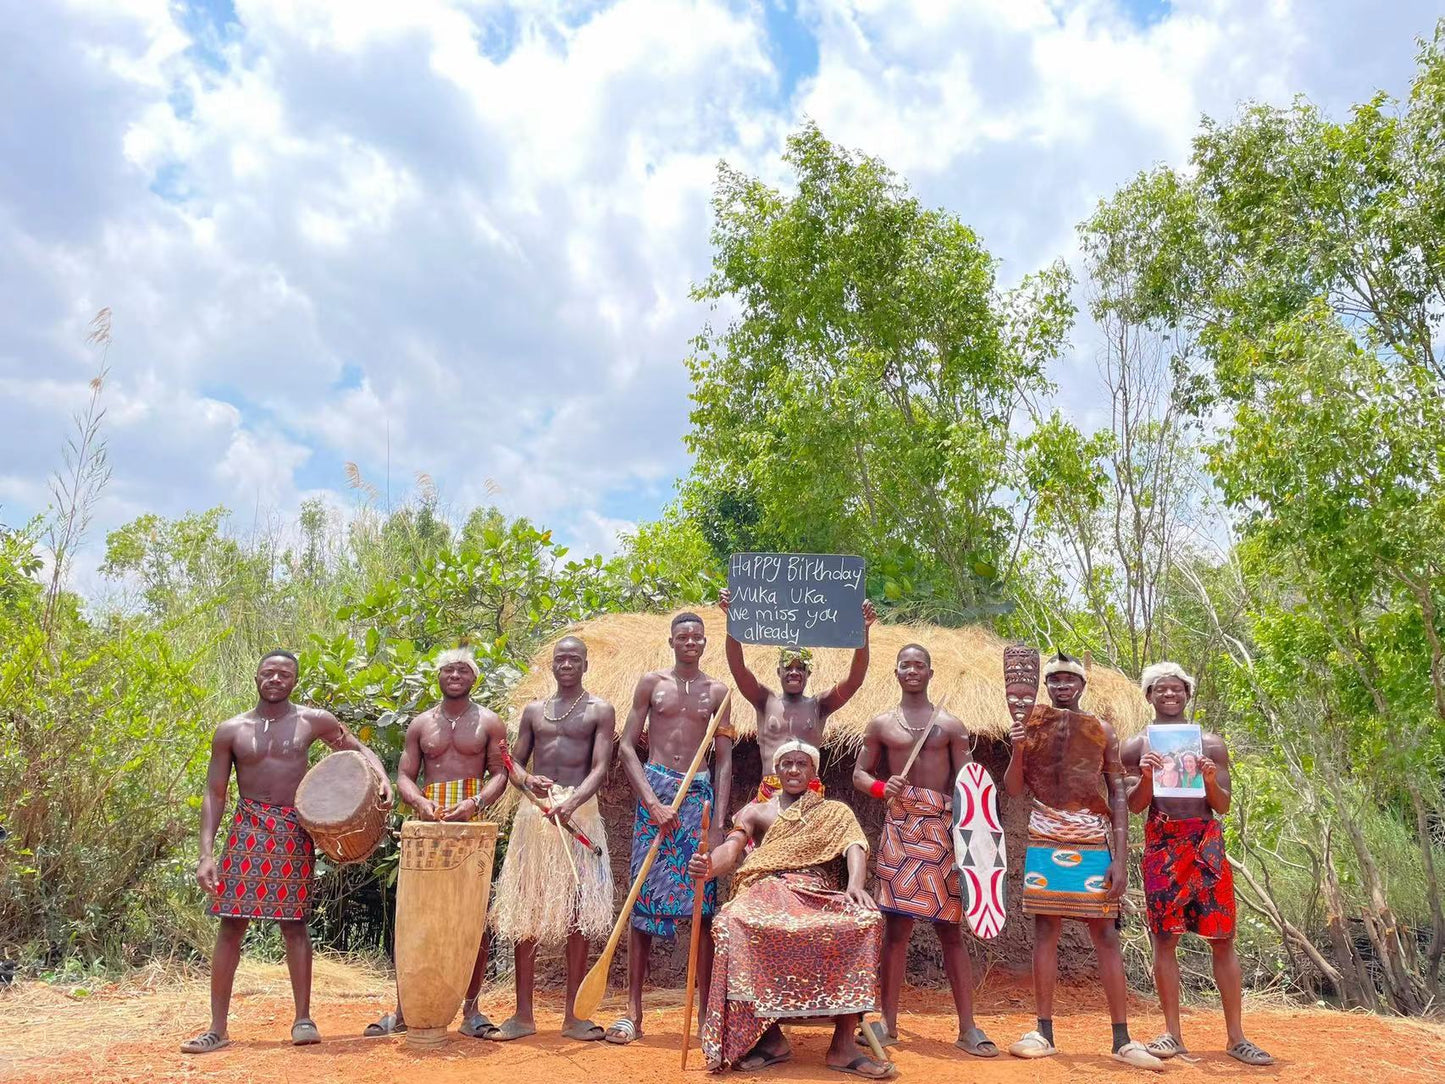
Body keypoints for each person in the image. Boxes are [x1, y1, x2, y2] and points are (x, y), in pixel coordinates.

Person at [183, 650, 393, 1054]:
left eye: (284, 673)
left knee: (294, 922)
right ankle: (217, 1028)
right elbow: (215, 792)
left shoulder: (313, 721)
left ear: (295, 680)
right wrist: (206, 853)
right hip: (247, 828)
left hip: (294, 828)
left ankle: (303, 1019)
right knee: (231, 924)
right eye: (268, 672)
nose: (275, 679)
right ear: (256, 676)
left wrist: (380, 776)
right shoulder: (232, 730)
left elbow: (354, 752)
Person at [690, 741, 892, 1079]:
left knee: (865, 921)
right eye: (786, 764)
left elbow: (855, 845)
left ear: (814, 772)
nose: (794, 770)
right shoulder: (756, 811)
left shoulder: (834, 812)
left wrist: (854, 885)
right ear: (776, 770)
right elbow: (732, 848)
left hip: (815, 890)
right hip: (768, 889)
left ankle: (843, 1045)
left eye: (802, 763)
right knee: (730, 921)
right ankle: (770, 1040)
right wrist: (708, 866)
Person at [1003, 651, 1161, 1070]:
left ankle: (1122, 1039)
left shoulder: (1101, 730)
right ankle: (1043, 1031)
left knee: (1106, 936)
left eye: (1068, 680)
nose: (1061, 686)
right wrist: (1017, 750)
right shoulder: (1030, 726)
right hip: (1044, 835)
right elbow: (1015, 789)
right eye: (1053, 680)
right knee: (1045, 931)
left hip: (1091, 838)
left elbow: (1118, 796)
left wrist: (1121, 859)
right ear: (1046, 685)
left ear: (1082, 686)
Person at [1123, 662, 1274, 1066]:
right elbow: (1135, 805)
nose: (1169, 695)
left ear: (1187, 695)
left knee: (1222, 938)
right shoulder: (1136, 746)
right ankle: (1172, 1034)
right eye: (1160, 689)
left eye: (1176, 689)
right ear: (1149, 696)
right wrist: (1147, 778)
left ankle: (1236, 1037)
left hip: (1205, 844)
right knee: (1165, 939)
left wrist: (1208, 779)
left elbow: (1222, 805)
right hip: (1162, 845)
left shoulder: (1210, 743)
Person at [852, 644, 995, 1057]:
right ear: (896, 673)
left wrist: (970, 840)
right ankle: (889, 1024)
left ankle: (968, 1026)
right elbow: (860, 774)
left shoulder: (950, 726)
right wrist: (882, 787)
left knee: (950, 930)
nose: (912, 670)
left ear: (930, 672)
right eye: (905, 665)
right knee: (895, 932)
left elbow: (968, 786)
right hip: (899, 831)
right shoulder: (881, 725)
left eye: (919, 665)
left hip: (941, 833)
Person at [365, 646, 509, 1039]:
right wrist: (420, 801)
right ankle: (405, 1008)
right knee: (417, 916)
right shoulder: (420, 724)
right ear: (439, 677)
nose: (455, 675)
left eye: (463, 670)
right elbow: (405, 775)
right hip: (426, 823)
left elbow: (501, 772)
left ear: (474, 678)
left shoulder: (490, 722)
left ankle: (471, 1010)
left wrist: (474, 802)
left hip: (472, 822)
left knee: (473, 916)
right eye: (448, 669)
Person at [606, 611, 734, 1045]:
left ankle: (703, 1020)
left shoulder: (718, 692)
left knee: (702, 907)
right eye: (684, 636)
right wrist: (652, 802)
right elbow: (625, 747)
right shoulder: (650, 683)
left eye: (698, 636)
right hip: (656, 795)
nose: (691, 642)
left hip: (697, 798)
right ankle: (632, 1014)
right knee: (641, 905)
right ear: (672, 641)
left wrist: (717, 827)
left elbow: (724, 760)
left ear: (704, 642)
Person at [490, 636, 616, 1042]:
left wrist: (574, 799)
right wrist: (528, 780)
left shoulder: (600, 710)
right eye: (560, 659)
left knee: (578, 911)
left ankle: (574, 1016)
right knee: (526, 909)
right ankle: (523, 1015)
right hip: (537, 817)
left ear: (585, 664)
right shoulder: (533, 712)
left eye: (574, 659)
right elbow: (514, 765)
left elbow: (600, 767)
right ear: (552, 665)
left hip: (579, 814)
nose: (566, 664)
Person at [717, 589, 877, 800]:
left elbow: (855, 680)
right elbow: (738, 668)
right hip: (771, 789)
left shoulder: (820, 705)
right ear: (778, 672)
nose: (794, 672)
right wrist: (733, 621)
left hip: (809, 791)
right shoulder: (764, 700)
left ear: (808, 673)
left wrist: (863, 631)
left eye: (800, 668)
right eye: (788, 667)